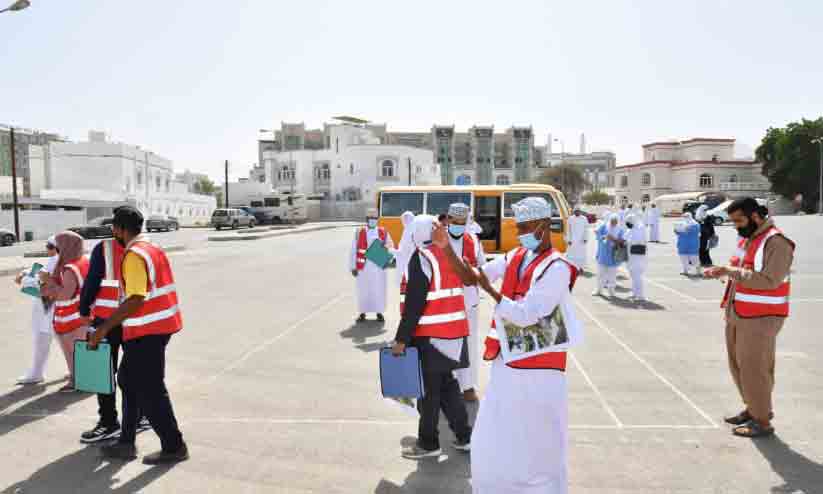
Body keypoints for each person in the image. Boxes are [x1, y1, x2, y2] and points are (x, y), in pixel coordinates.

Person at [468, 196, 584, 494]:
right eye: (518, 226)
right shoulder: (517, 254)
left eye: (526, 226)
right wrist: (449, 252)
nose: (520, 232)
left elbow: (530, 313)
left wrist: (490, 291)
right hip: (508, 358)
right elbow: (481, 273)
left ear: (544, 227)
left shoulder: (557, 267)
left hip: (540, 366)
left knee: (538, 437)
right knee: (501, 431)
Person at [90, 206, 188, 464]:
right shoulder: (152, 248)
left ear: (119, 229)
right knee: (128, 380)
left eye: (114, 228)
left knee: (151, 389)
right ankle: (126, 442)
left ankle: (173, 445)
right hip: (158, 327)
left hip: (147, 331)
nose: (113, 232)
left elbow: (135, 298)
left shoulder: (134, 255)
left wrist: (103, 328)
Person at [704, 198, 794, 438]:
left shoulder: (777, 242)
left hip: (761, 317)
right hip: (739, 312)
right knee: (739, 367)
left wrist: (731, 271)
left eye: (739, 220)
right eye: (733, 221)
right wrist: (722, 271)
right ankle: (753, 409)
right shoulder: (749, 238)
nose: (735, 226)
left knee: (755, 369)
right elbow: (739, 268)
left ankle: (762, 420)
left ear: (755, 216)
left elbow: (769, 280)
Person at [392, 215, 473, 459]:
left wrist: (401, 339)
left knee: (429, 394)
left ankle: (429, 444)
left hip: (431, 338)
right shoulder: (449, 255)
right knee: (448, 387)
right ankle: (465, 436)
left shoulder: (421, 258)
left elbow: (414, 305)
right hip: (454, 335)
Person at [76, 227, 150, 443]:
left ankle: (109, 422)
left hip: (106, 320)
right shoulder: (146, 246)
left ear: (116, 228)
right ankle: (141, 416)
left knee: (103, 372)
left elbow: (92, 281)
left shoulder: (105, 248)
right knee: (134, 371)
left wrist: (83, 309)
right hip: (135, 318)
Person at [443, 203, 486, 402]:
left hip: (469, 303)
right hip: (444, 303)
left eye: (462, 223)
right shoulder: (438, 240)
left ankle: (467, 386)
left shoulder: (474, 240)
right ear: (448, 220)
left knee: (469, 344)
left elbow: (482, 265)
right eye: (455, 222)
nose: (458, 226)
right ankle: (447, 386)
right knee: (445, 344)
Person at [41, 231, 90, 393]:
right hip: (82, 313)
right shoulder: (83, 260)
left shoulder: (70, 268)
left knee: (71, 351)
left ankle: (76, 381)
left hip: (70, 316)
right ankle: (84, 378)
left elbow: (64, 295)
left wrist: (48, 282)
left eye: (59, 245)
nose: (57, 249)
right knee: (81, 350)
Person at [14, 236, 59, 385]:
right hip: (54, 308)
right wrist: (25, 273)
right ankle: (75, 370)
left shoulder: (56, 261)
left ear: (54, 248)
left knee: (43, 340)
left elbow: (41, 281)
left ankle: (36, 373)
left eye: (48, 246)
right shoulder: (58, 260)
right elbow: (39, 270)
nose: (47, 249)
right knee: (63, 341)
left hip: (49, 307)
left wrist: (24, 278)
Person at [349, 208, 395, 322]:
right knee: (363, 290)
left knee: (378, 290)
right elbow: (353, 249)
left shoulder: (383, 231)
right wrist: (353, 267)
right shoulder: (359, 231)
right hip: (363, 268)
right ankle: (362, 313)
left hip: (378, 268)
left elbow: (390, 245)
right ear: (366, 219)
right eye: (370, 218)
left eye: (374, 218)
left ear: (377, 219)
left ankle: (379, 312)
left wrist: (384, 253)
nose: (372, 220)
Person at [593, 214, 624, 297]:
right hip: (603, 255)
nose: (613, 223)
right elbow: (597, 235)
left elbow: (622, 242)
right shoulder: (604, 227)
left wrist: (614, 239)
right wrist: (604, 237)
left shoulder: (620, 230)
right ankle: (599, 290)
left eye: (615, 221)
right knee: (600, 274)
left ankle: (611, 292)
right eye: (612, 221)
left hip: (613, 256)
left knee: (612, 276)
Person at [623, 214, 648, 302]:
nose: (627, 224)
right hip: (631, 256)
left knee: (637, 275)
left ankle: (641, 295)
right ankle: (634, 293)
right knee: (633, 275)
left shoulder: (640, 228)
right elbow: (625, 238)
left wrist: (628, 242)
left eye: (628, 223)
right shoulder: (631, 229)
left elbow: (639, 241)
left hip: (638, 255)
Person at [565, 208, 589, 273]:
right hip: (572, 240)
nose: (577, 212)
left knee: (581, 255)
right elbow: (568, 230)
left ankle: (580, 268)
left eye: (578, 211)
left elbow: (586, 229)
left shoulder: (584, 218)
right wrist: (569, 239)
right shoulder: (570, 219)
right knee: (572, 255)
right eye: (575, 211)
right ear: (574, 212)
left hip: (581, 241)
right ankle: (573, 268)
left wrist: (585, 238)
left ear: (580, 212)